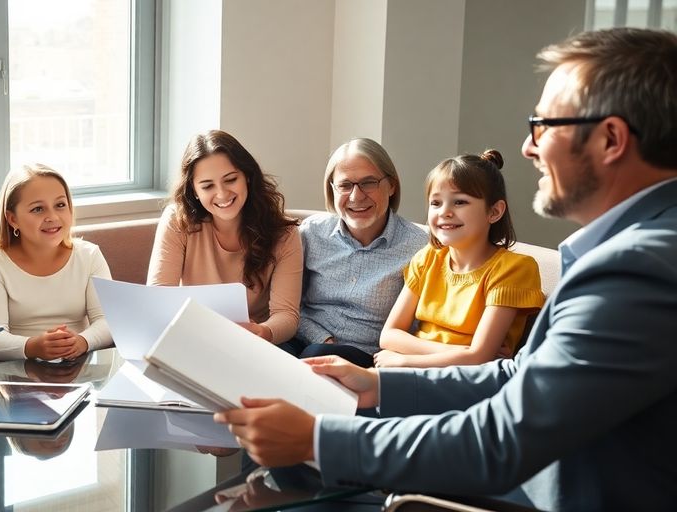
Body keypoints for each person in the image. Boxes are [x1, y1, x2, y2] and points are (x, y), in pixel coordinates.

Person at [216, 28, 677, 510]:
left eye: (544, 125)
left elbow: (502, 441)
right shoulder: (633, 250)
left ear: (611, 139)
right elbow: (517, 375)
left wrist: (318, 440)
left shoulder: (638, 269)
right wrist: (380, 385)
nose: (528, 147)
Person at [373, 150, 544, 368]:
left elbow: (478, 360)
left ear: (494, 212)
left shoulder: (514, 268)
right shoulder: (427, 258)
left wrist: (405, 360)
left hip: (466, 381)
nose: (445, 212)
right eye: (436, 203)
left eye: (460, 202)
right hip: (419, 370)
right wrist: (460, 351)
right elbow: (388, 336)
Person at [148, 130, 303, 347]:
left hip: (255, 345)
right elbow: (158, 299)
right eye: (207, 186)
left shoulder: (284, 233)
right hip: (193, 338)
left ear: (247, 177)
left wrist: (263, 331)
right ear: (193, 190)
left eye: (230, 180)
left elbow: (286, 315)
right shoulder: (177, 221)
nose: (221, 194)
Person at [296, 138, 427, 367]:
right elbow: (288, 306)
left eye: (368, 183)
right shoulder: (311, 233)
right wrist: (323, 339)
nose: (356, 196)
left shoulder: (420, 247)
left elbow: (423, 325)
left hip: (369, 360)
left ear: (392, 185)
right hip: (305, 341)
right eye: (345, 185)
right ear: (332, 189)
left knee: (315, 357)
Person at [0, 164, 113, 361]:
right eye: (38, 209)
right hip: (16, 374)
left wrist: (82, 341)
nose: (52, 217)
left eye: (60, 205)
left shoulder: (89, 255)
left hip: (82, 367)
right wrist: (32, 347)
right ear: (13, 219)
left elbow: (108, 321)